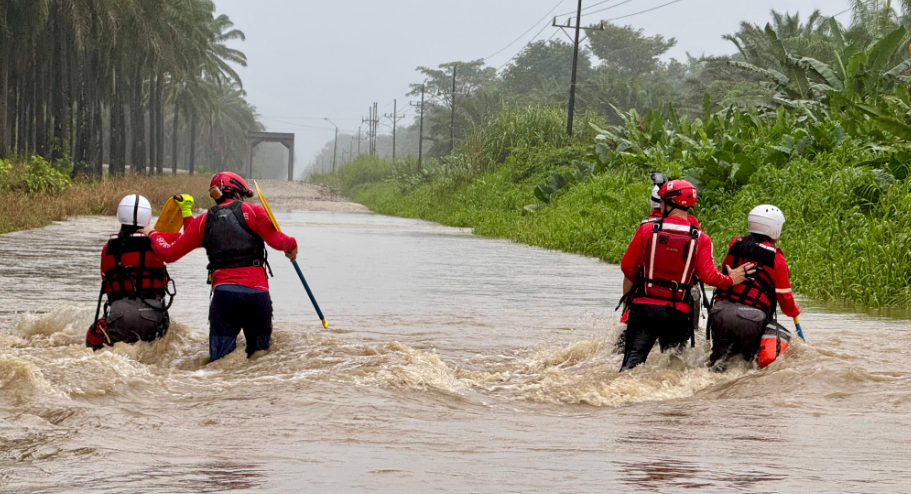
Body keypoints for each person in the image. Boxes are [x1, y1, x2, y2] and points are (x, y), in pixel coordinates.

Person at [139, 172, 298, 362]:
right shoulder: (254, 212)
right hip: (257, 298)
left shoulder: (203, 221)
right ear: (238, 193)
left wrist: (152, 233)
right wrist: (292, 246)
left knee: (220, 364)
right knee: (260, 361)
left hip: (224, 298)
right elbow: (280, 242)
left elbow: (169, 253)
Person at [618, 180, 755, 372]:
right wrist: (733, 278)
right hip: (678, 311)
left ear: (668, 204)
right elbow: (709, 277)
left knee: (631, 364)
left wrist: (639, 291)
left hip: (644, 307)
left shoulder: (646, 230)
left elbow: (627, 266)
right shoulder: (701, 238)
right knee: (673, 368)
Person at [86, 194, 192, 349]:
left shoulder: (107, 248)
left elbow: (105, 279)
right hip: (153, 314)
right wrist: (186, 212)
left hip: (118, 315)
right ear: (147, 217)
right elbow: (191, 238)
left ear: (120, 216)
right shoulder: (159, 241)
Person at [707, 205, 800, 370]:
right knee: (746, 367)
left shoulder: (735, 243)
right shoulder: (776, 258)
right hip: (752, 318)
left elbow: (726, 270)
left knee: (718, 364)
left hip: (720, 311)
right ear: (775, 228)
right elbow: (784, 296)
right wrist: (794, 311)